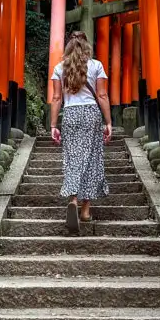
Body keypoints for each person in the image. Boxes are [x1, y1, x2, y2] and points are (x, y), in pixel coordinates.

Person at [50, 31, 112, 234]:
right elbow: (102, 95)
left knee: (73, 158)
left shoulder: (60, 68)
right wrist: (108, 122)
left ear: (68, 47)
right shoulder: (96, 66)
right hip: (91, 114)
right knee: (91, 159)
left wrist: (53, 125)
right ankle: (85, 210)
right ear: (87, 46)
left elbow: (57, 99)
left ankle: (73, 199)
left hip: (70, 115)